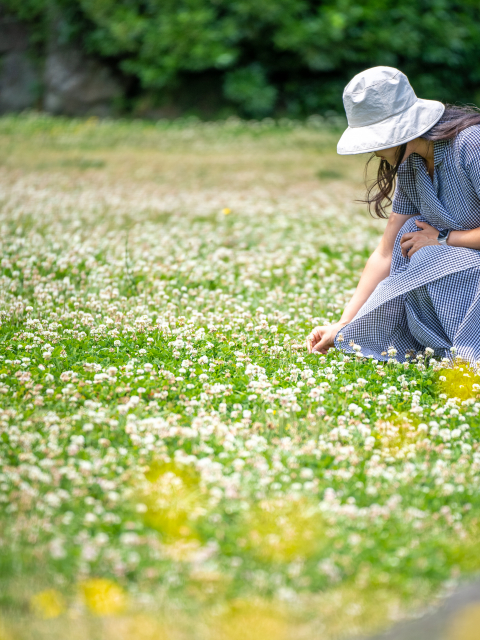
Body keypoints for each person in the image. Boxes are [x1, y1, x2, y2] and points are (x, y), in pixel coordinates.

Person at [306, 66, 480, 363]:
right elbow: (385, 253)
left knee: (428, 251)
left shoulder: (470, 144)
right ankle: (444, 351)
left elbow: (434, 244)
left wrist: (444, 238)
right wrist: (344, 323)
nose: (373, 151)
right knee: (410, 233)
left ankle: (466, 353)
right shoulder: (412, 165)